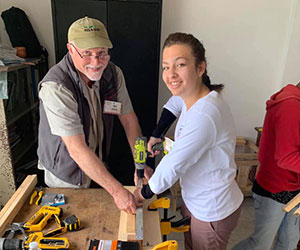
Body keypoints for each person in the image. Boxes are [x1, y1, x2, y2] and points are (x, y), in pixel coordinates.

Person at [134, 32, 243, 250]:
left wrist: (142, 192)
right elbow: (174, 103)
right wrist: (157, 133)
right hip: (196, 198)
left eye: (180, 64)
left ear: (200, 68)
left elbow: (174, 164)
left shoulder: (205, 114)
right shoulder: (193, 94)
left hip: (212, 208)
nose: (170, 74)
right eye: (166, 67)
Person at [37, 16, 142, 214]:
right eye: (87, 53)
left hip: (97, 163)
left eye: (102, 53)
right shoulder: (56, 87)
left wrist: (140, 164)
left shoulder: (113, 74)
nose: (96, 62)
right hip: (65, 177)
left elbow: (129, 120)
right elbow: (76, 149)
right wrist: (118, 191)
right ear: (70, 49)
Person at [232, 83, 300, 250]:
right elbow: (286, 157)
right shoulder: (290, 106)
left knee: (289, 241)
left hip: (294, 189)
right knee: (260, 243)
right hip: (275, 189)